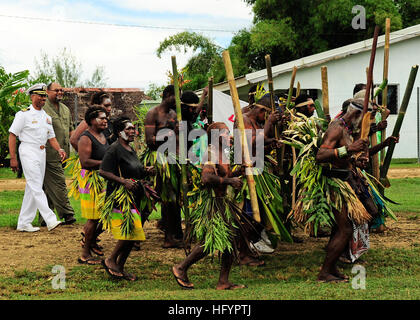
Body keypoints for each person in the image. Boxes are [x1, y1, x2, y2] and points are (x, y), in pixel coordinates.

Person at [172, 122, 249, 290]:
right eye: (225, 133)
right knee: (212, 241)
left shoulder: (223, 153)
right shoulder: (210, 153)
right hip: (214, 203)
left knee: (229, 239)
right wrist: (230, 181)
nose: (229, 136)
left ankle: (223, 281)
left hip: (223, 202)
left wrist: (237, 173)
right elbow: (206, 179)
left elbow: (221, 174)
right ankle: (181, 267)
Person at [315, 99, 377, 282]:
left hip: (345, 180)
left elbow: (343, 156)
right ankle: (324, 272)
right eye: (367, 119)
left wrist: (355, 159)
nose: (367, 124)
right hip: (335, 184)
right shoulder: (337, 127)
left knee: (343, 229)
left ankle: (331, 268)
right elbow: (320, 155)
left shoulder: (348, 129)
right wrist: (349, 148)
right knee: (345, 229)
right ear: (357, 115)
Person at [99, 117, 154, 281]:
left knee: (134, 233)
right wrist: (123, 182)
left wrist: (146, 170)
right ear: (118, 132)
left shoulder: (130, 149)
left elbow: (134, 169)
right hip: (121, 197)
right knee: (131, 231)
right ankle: (110, 259)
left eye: (133, 129)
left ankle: (120, 267)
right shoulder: (114, 149)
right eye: (128, 129)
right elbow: (103, 171)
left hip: (135, 194)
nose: (132, 132)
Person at [8, 83, 64, 232]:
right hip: (27, 151)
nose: (43, 98)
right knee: (35, 186)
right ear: (32, 96)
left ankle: (24, 223)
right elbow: (13, 135)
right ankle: (50, 219)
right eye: (40, 95)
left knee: (33, 187)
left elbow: (51, 137)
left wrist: (59, 149)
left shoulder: (46, 117)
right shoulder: (23, 114)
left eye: (44, 96)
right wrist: (13, 158)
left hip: (41, 152)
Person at [144, 85, 184, 248]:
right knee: (165, 199)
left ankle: (175, 232)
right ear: (167, 95)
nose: (179, 101)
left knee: (175, 199)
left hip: (172, 160)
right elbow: (149, 141)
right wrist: (170, 134)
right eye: (177, 97)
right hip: (159, 160)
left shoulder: (174, 114)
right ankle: (168, 237)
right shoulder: (153, 113)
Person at [77, 106, 110, 264]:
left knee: (106, 215)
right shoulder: (86, 137)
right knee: (93, 218)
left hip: (102, 178)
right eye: (101, 118)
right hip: (91, 180)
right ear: (91, 120)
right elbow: (85, 162)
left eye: (105, 118)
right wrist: (106, 163)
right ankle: (84, 254)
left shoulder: (103, 135)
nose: (105, 120)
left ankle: (90, 242)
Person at [41, 82, 76, 226]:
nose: (60, 92)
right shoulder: (42, 109)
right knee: (60, 183)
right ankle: (68, 214)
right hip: (49, 154)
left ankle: (44, 218)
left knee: (49, 186)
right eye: (56, 90)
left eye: (61, 90)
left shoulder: (65, 109)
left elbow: (71, 131)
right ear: (47, 91)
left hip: (64, 154)